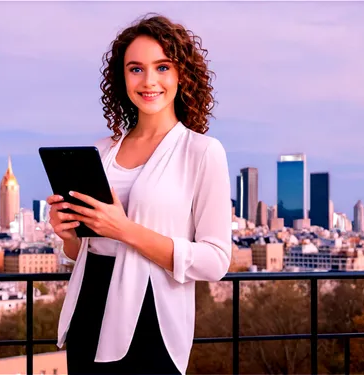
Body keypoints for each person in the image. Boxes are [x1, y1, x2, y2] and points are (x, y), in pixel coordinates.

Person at [46, 14, 232, 375]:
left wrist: (123, 229)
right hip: (89, 304)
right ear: (122, 78)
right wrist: (69, 235)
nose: (149, 81)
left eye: (162, 67)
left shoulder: (203, 152)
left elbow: (215, 261)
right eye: (136, 69)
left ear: (182, 75)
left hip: (152, 314)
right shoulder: (102, 152)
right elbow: (83, 251)